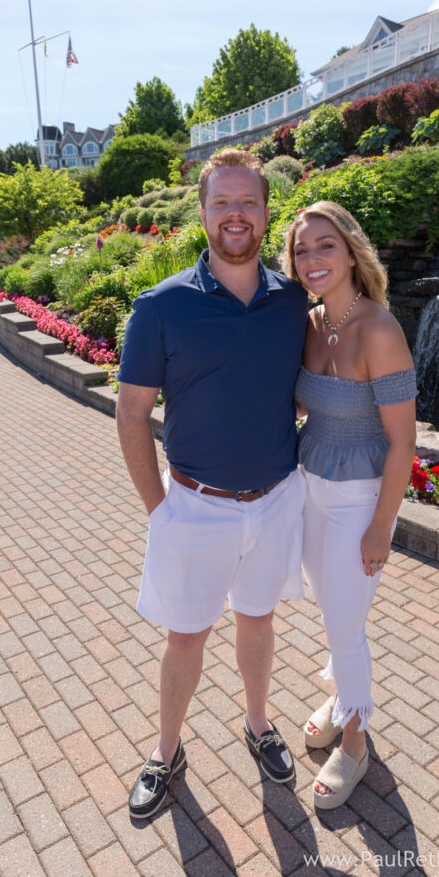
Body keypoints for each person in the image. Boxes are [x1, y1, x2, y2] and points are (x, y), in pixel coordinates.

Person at [116, 149, 308, 819]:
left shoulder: (293, 301)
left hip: (278, 500)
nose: (236, 214)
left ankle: (258, 724)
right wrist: (159, 509)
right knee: (186, 637)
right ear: (202, 214)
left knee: (259, 619)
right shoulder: (161, 306)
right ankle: (165, 751)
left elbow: (307, 386)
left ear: (265, 211)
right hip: (194, 507)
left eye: (247, 202)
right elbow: (132, 412)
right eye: (222, 203)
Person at [283, 201, 417, 809]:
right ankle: (340, 699)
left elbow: (403, 441)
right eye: (302, 249)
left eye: (325, 246)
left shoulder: (380, 329)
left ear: (351, 252)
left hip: (357, 502)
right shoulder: (309, 324)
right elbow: (305, 407)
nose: (312, 258)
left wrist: (381, 527)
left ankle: (357, 742)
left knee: (345, 626)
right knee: (332, 612)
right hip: (309, 490)